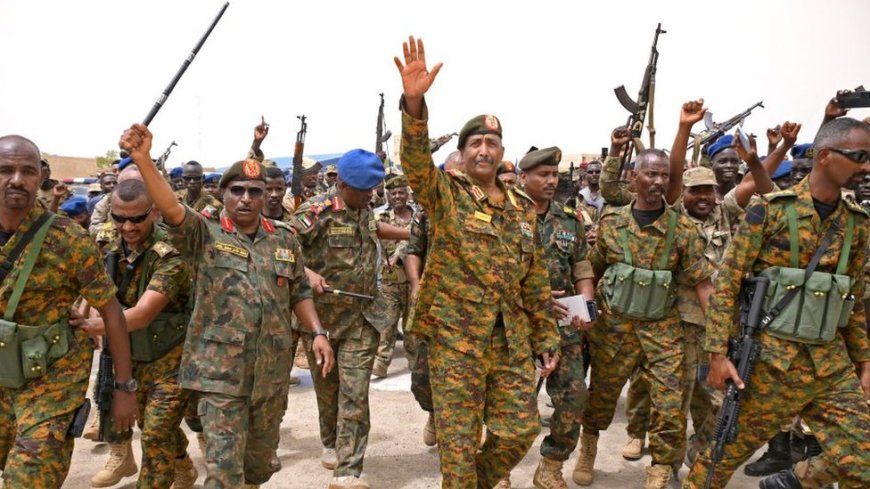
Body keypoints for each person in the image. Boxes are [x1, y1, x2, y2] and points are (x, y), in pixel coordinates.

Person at [118, 123, 335, 489]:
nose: (246, 198)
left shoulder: (284, 238)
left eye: (254, 191)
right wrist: (143, 159)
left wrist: (317, 333)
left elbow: (299, 290)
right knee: (223, 473)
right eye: (237, 190)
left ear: (266, 195)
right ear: (223, 193)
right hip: (219, 375)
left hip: (269, 373)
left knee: (258, 467)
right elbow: (170, 207)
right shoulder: (203, 232)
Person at [395, 36, 560, 489]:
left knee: (519, 430)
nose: (484, 149)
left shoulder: (522, 208)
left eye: (492, 142)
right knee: (459, 445)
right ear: (464, 152)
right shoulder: (446, 194)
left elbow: (534, 280)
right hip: (456, 339)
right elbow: (415, 165)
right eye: (475, 143)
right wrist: (414, 105)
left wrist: (545, 335)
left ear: (502, 152)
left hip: (509, 340)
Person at [684, 117, 870, 489]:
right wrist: (718, 355)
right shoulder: (770, 212)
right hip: (769, 366)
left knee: (862, 460)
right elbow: (727, 285)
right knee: (718, 461)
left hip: (829, 366)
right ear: (824, 156)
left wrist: (865, 363)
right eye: (860, 157)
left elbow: (853, 300)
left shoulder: (857, 223)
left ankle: (795, 480)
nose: (866, 167)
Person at [575, 143, 715, 488]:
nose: (659, 181)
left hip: (662, 331)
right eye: (651, 174)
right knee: (602, 397)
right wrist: (586, 312)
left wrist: (718, 338)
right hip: (614, 328)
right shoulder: (612, 223)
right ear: (633, 178)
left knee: (669, 405)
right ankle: (588, 447)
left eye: (664, 175)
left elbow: (702, 283)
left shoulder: (682, 230)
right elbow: (591, 270)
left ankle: (661, 468)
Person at [0, 134, 136, 487]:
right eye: (5, 170)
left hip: (51, 378)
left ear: (41, 176)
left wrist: (124, 388)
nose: (17, 179)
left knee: (29, 477)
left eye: (28, 171)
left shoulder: (67, 239)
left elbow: (112, 313)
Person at [292, 149, 409, 489]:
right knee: (328, 391)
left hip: (362, 318)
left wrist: (409, 234)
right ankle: (330, 442)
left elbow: (373, 228)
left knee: (355, 394)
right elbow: (280, 249)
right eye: (363, 190)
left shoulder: (363, 207)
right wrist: (308, 274)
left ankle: (348, 470)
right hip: (322, 323)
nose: (371, 195)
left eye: (373, 189)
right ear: (342, 185)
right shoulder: (316, 212)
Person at [74, 179, 196, 489]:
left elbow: (142, 314)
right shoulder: (107, 243)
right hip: (128, 353)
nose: (127, 227)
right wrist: (87, 310)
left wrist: (91, 325)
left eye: (137, 218)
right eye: (119, 218)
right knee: (150, 423)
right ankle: (183, 464)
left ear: (154, 212)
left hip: (171, 356)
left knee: (154, 432)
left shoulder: (170, 254)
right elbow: (92, 284)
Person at [516, 147, 596, 489]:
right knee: (511, 401)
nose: (551, 181)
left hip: (564, 324)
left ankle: (550, 466)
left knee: (574, 398)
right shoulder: (506, 216)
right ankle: (500, 470)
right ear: (523, 178)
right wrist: (535, 299)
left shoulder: (569, 220)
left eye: (554, 175)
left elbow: (582, 269)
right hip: (517, 323)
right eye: (543, 175)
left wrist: (587, 307)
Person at [372, 174, 415, 378]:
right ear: (388, 196)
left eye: (401, 193)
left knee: (412, 325)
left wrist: (400, 252)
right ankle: (381, 362)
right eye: (394, 193)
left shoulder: (418, 216)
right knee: (387, 323)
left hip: (414, 280)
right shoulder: (380, 217)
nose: (397, 196)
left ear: (407, 195)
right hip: (389, 281)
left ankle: (415, 361)